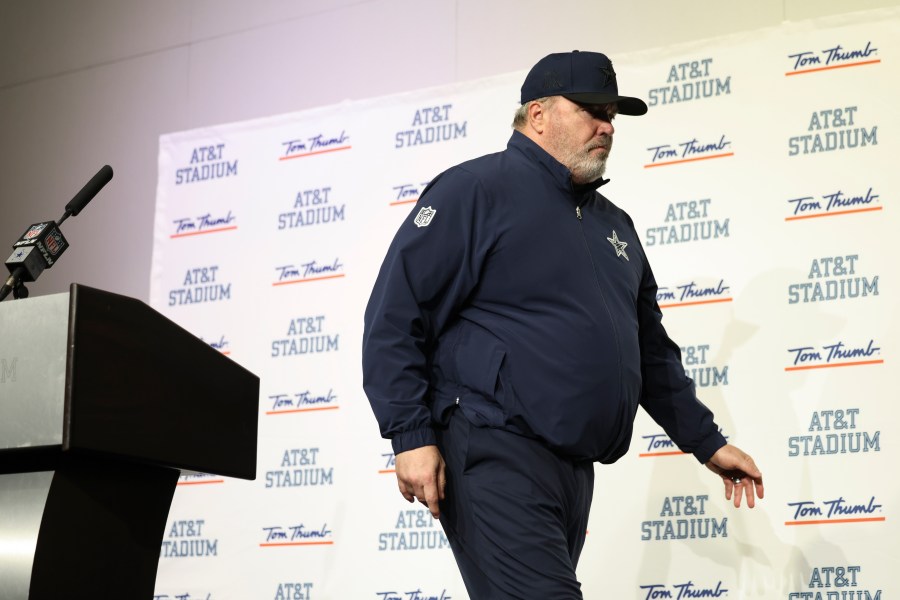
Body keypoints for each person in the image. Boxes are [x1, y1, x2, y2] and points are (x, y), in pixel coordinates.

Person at [362, 50, 763, 599]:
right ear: (538, 114)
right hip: (493, 448)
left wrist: (705, 441)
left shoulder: (614, 225)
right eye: (591, 110)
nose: (607, 126)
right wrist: (409, 435)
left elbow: (650, 353)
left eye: (613, 116)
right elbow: (394, 315)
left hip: (574, 471)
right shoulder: (474, 191)